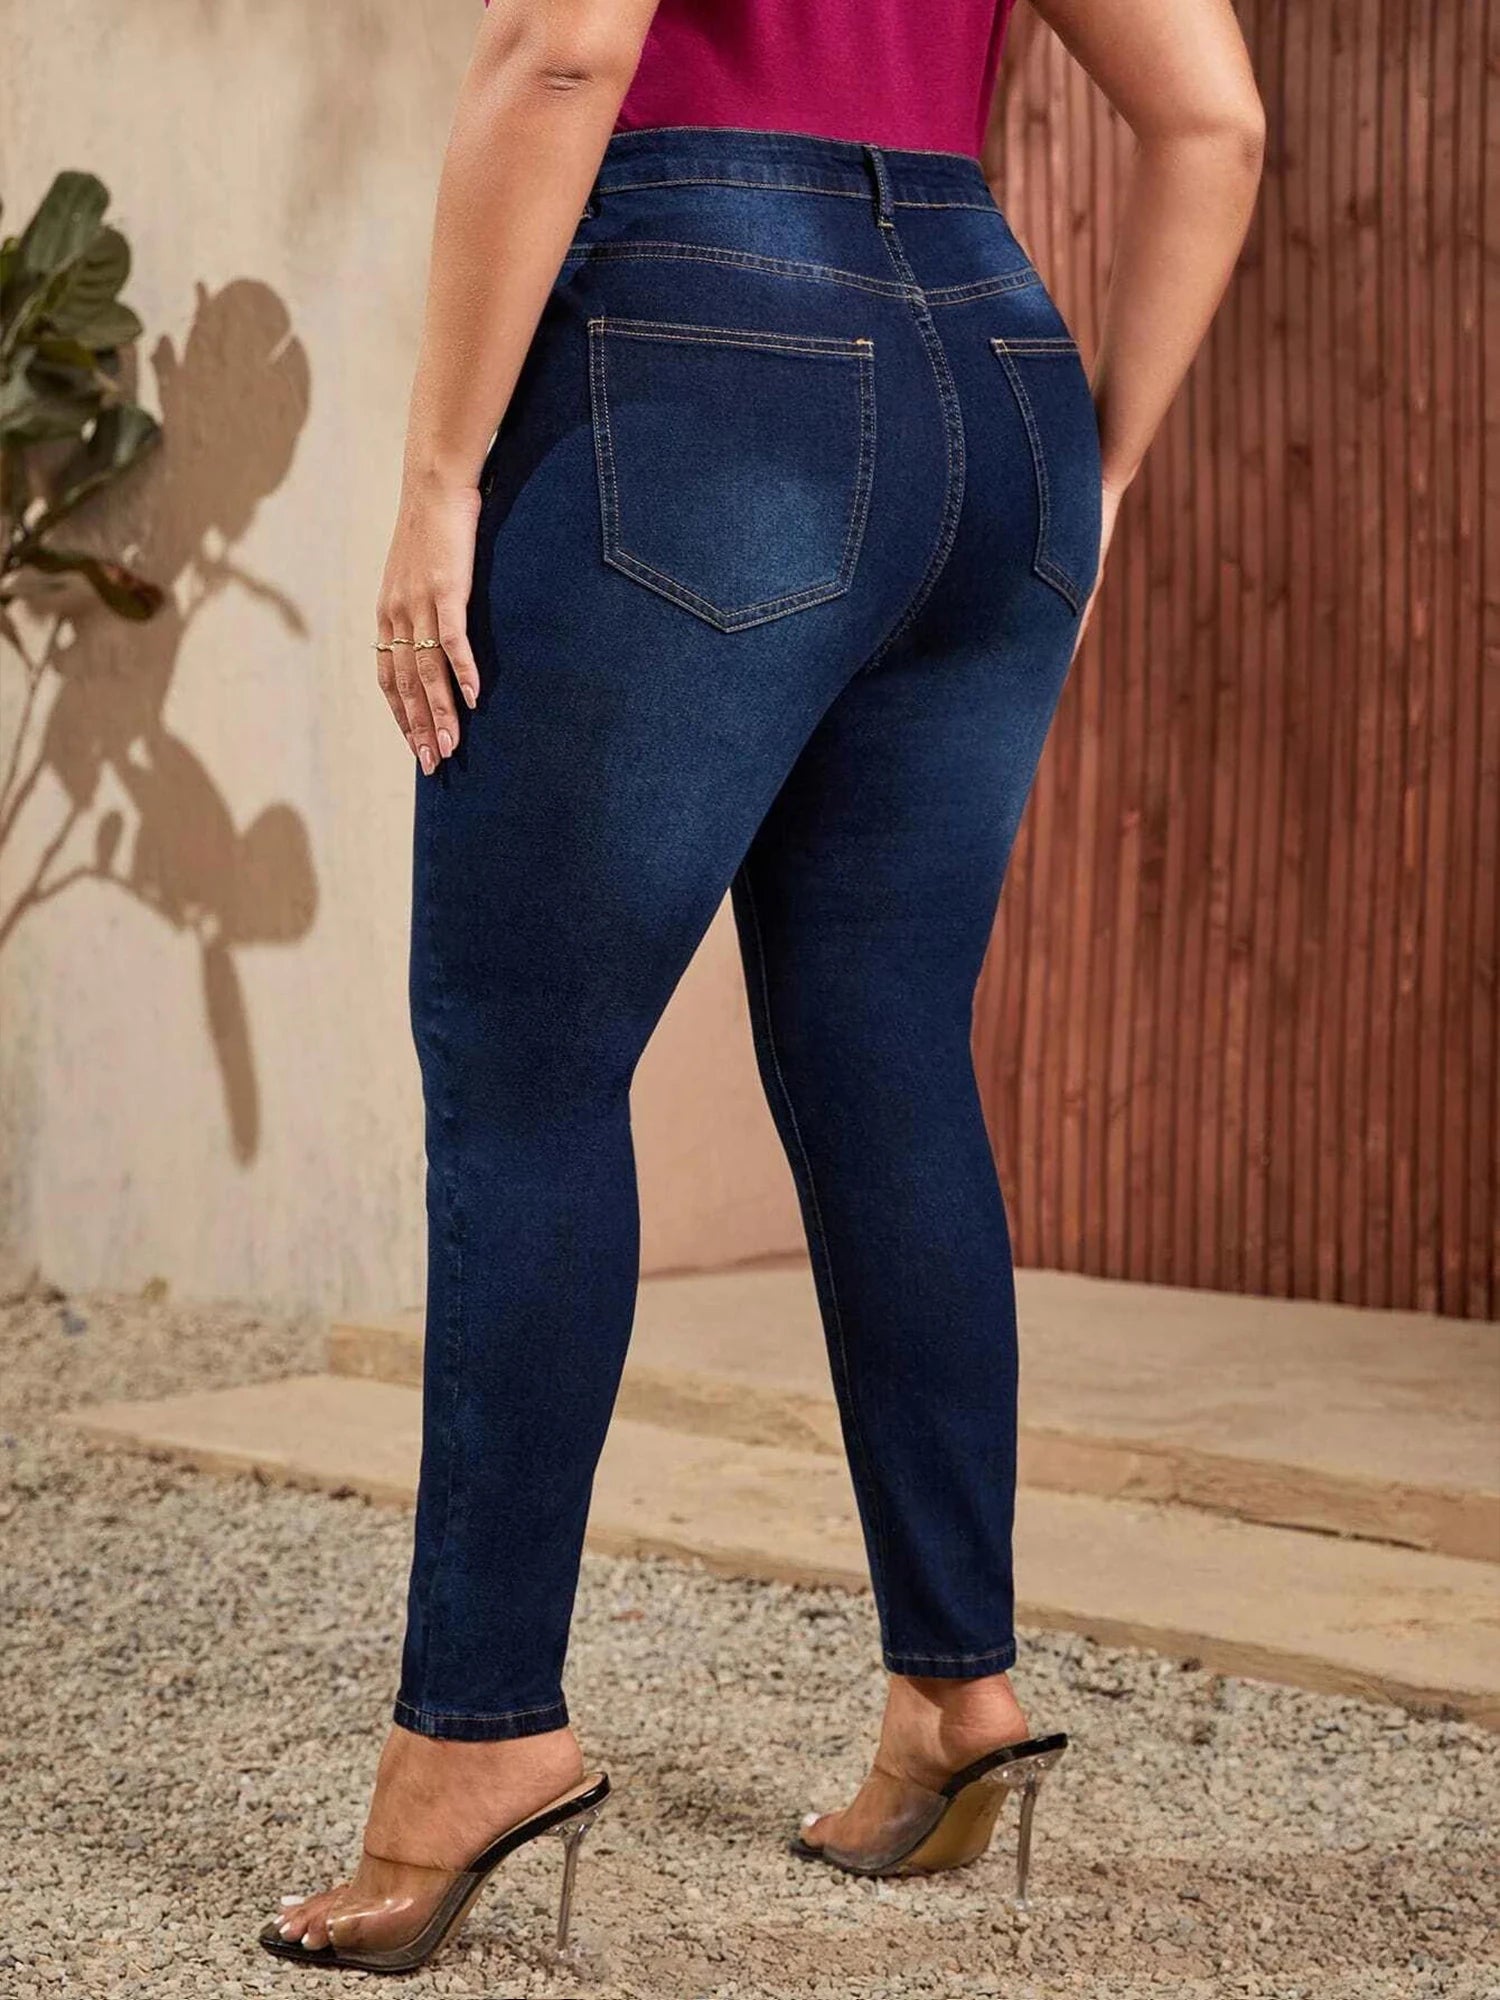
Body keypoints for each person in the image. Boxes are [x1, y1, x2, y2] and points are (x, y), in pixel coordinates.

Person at [261, 0, 1262, 1971]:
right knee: (890, 1049)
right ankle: (956, 1688)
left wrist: (441, 474)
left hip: (706, 346)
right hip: (996, 377)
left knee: (527, 1067)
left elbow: (563, 50)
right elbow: (1213, 121)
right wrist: (1105, 470)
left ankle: (478, 1735)